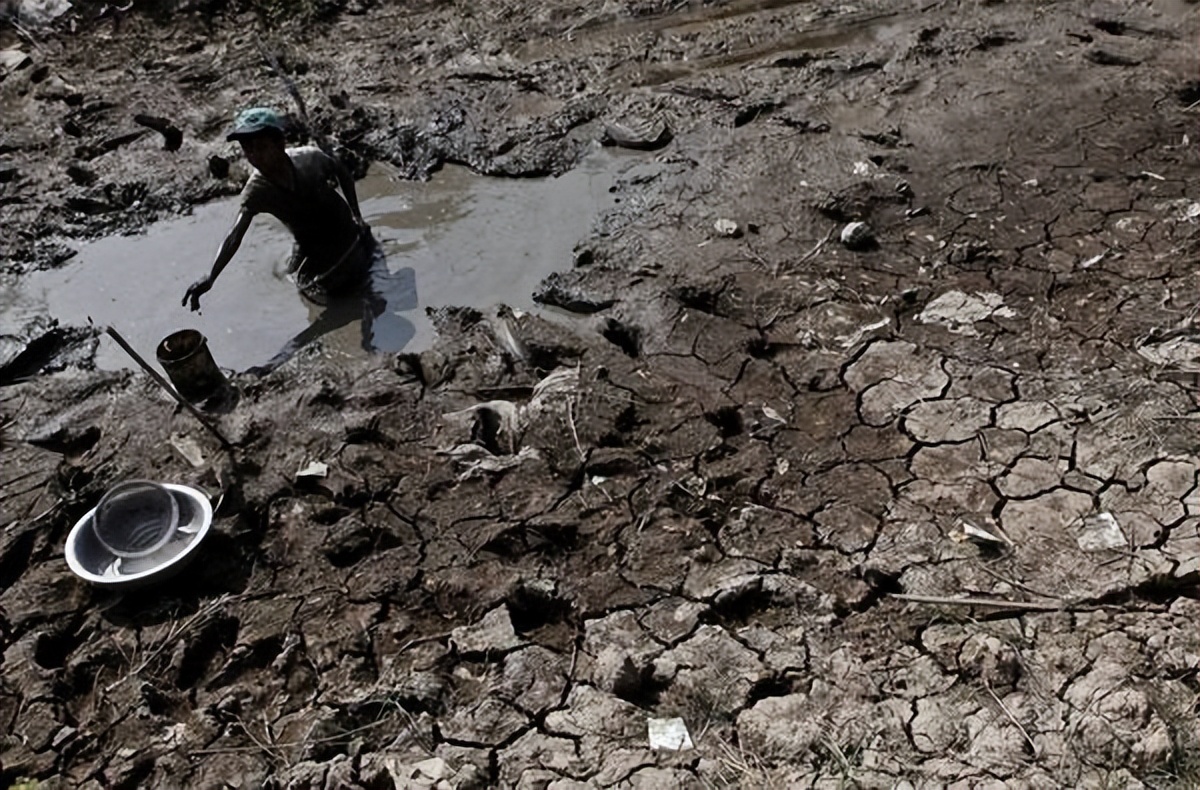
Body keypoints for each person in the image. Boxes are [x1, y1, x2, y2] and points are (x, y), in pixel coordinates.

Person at [182, 107, 373, 311]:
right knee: (302, 285)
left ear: (280, 143)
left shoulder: (309, 159)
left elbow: (341, 172)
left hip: (343, 226)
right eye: (249, 150)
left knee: (364, 272)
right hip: (308, 242)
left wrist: (356, 215)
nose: (256, 156)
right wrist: (211, 277)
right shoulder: (256, 190)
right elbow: (234, 236)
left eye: (262, 147)